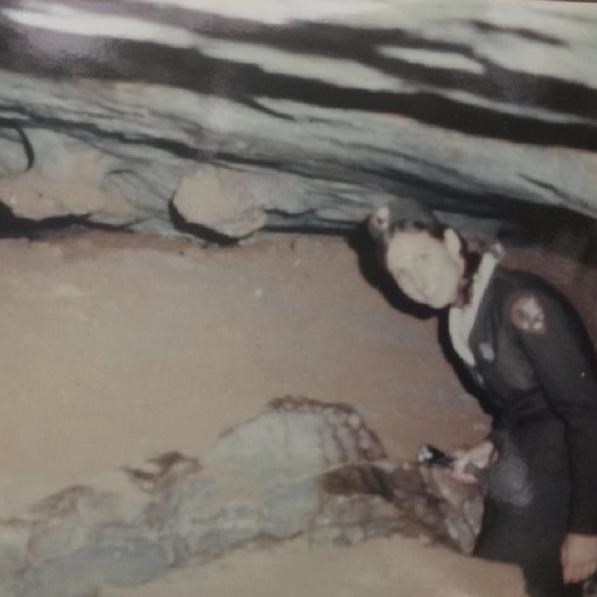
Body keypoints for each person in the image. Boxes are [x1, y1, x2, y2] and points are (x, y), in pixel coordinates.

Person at [367, 199, 597, 597]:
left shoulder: (519, 305)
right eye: (401, 274)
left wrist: (586, 529)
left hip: (571, 466)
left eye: (423, 258)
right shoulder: (460, 317)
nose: (417, 281)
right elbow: (522, 402)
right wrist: (490, 445)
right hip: (533, 457)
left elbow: (588, 412)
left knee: (497, 583)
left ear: (453, 244)